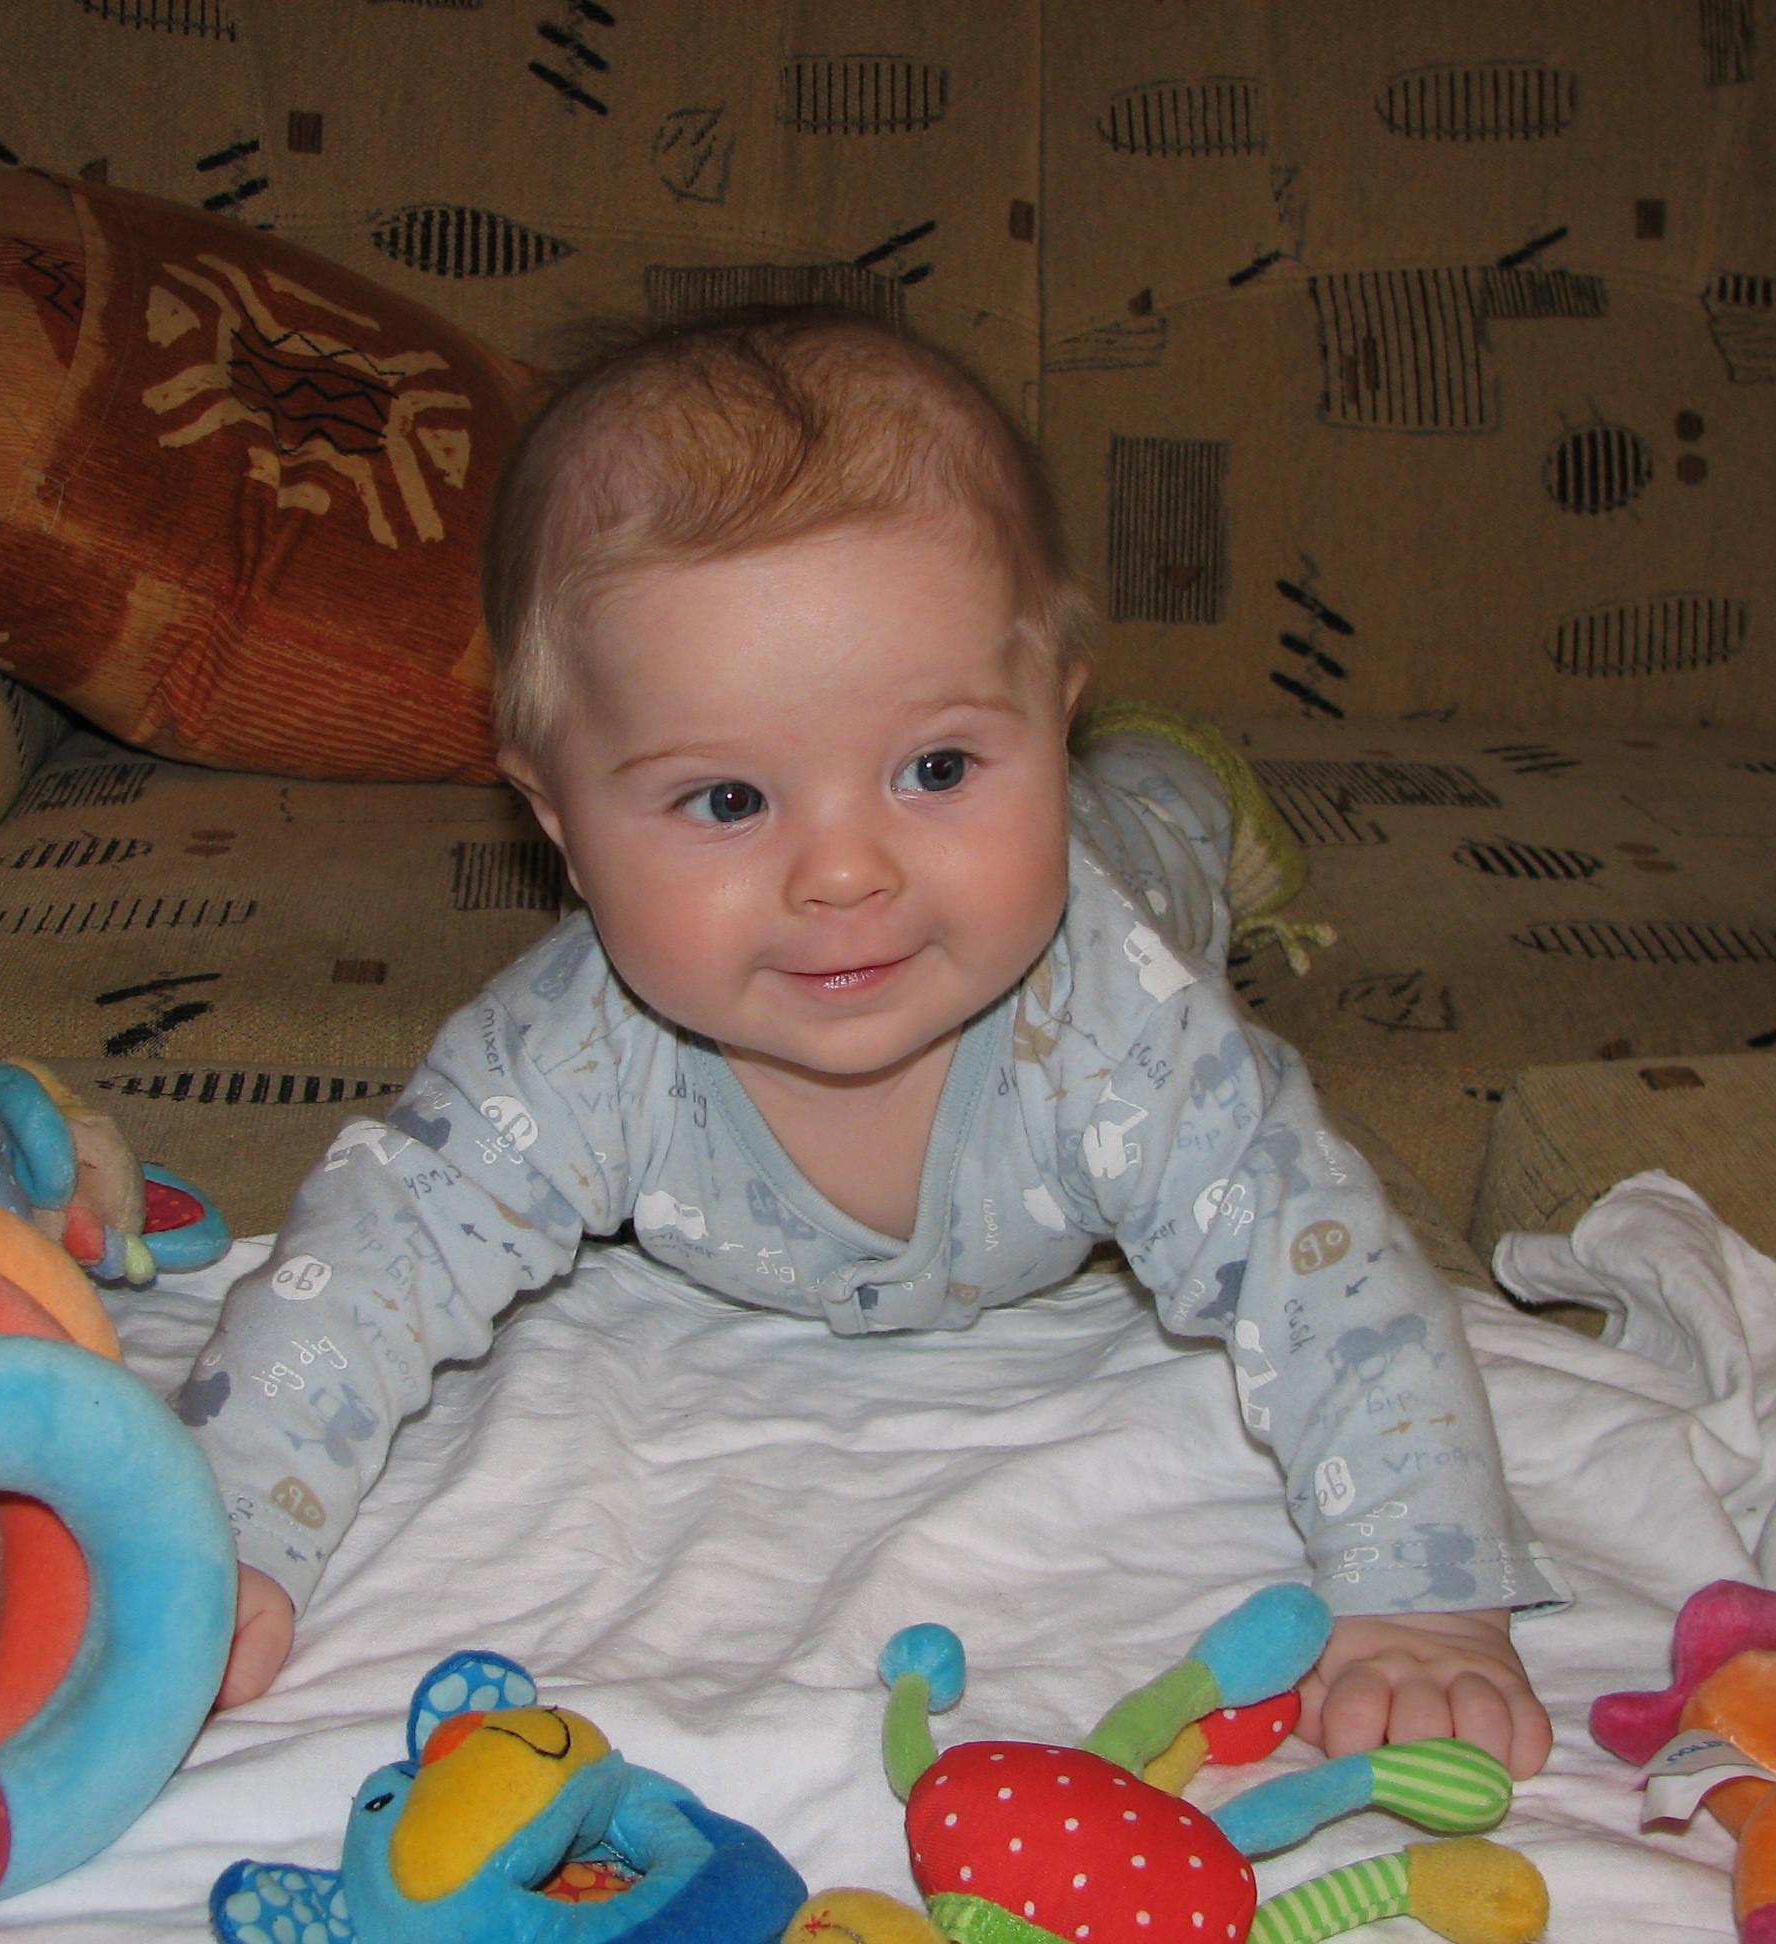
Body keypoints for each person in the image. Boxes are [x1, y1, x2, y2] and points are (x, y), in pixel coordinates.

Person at [183, 308, 1562, 1776]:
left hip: (1124, 858)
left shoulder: (1122, 1036)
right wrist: (221, 1532)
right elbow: (370, 1264)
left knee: (1161, 831)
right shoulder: (570, 1059)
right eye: (728, 800)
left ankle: (1174, 772)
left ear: (1050, 722)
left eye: (938, 766)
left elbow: (1328, 1279)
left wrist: (1424, 1597)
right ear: (558, 824)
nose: (845, 875)